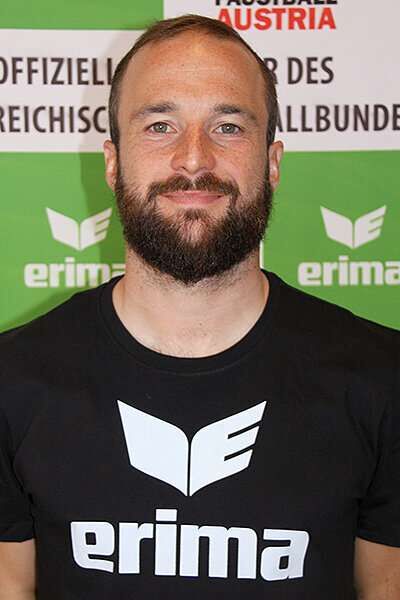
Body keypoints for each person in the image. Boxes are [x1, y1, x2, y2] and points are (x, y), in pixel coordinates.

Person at [0, 13, 399, 600]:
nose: (193, 159)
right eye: (160, 126)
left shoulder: (382, 378)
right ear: (112, 161)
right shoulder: (13, 380)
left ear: (273, 162)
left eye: (228, 127)